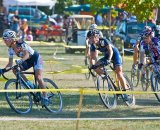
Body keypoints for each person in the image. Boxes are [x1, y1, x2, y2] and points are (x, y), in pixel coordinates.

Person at [0, 29, 48, 106]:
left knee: (38, 77)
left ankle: (45, 97)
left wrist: (21, 60)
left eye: (6, 39)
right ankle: (29, 84)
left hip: (35, 58)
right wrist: (3, 70)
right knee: (15, 69)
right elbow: (10, 63)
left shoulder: (20, 43)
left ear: (12, 39)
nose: (5, 41)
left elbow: (27, 55)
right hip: (26, 61)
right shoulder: (10, 50)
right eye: (4, 40)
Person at [87, 29, 129, 100]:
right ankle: (106, 76)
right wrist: (92, 65)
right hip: (106, 56)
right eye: (90, 38)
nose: (92, 39)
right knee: (95, 67)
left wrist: (109, 59)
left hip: (114, 54)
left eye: (93, 37)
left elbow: (110, 50)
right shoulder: (92, 46)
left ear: (97, 37)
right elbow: (93, 58)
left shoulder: (103, 40)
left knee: (118, 72)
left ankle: (125, 92)